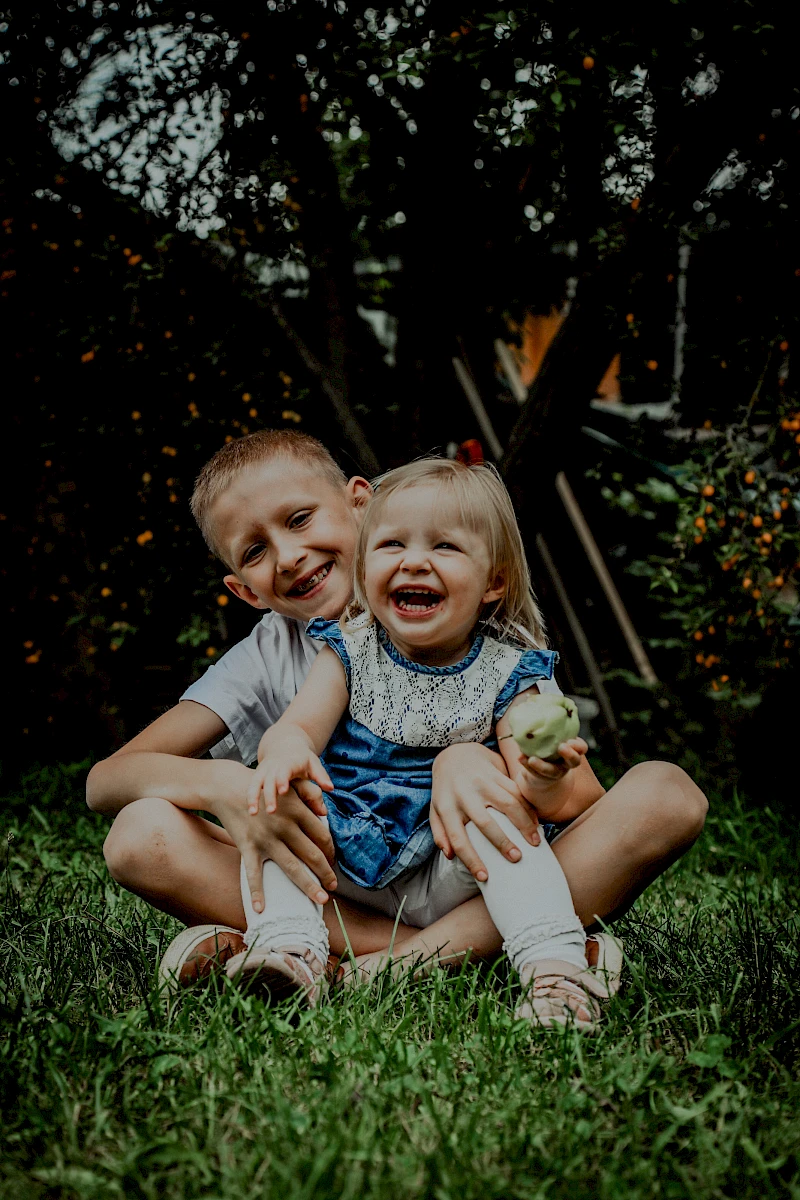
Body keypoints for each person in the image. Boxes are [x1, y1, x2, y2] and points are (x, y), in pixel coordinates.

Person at [85, 429, 708, 989]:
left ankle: (363, 962)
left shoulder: (470, 616)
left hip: (483, 873)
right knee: (139, 836)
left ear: (361, 503)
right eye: (255, 552)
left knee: (666, 795)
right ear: (245, 591)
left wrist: (473, 762)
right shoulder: (271, 655)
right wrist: (225, 785)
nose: (289, 555)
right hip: (339, 878)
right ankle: (469, 953)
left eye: (300, 519)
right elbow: (106, 781)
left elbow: (582, 805)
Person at [229, 458, 614, 1028]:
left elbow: (532, 780)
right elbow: (298, 726)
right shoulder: (350, 648)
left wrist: (543, 772)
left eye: (445, 547)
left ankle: (554, 971)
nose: (413, 561)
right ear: (366, 567)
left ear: (494, 582)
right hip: (344, 858)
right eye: (391, 544)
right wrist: (283, 749)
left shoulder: (511, 672)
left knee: (502, 812)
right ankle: (290, 953)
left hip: (454, 864)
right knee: (276, 806)